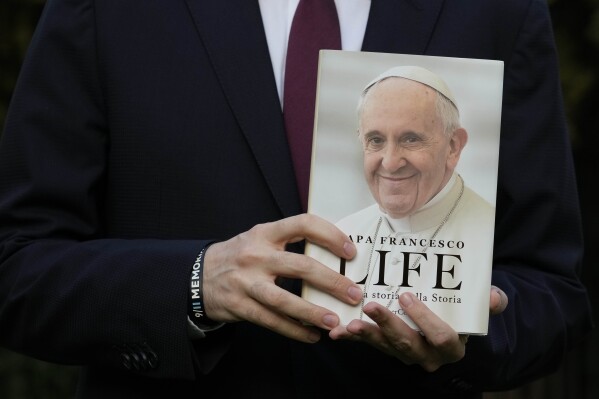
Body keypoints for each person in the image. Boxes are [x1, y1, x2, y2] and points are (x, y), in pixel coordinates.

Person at [0, 0, 592, 398]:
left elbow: (551, 291)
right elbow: (16, 264)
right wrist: (197, 282)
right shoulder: (107, 11)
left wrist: (467, 337)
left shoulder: (496, 11)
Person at [306, 65, 497, 334]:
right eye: (375, 140)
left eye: (410, 139)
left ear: (453, 147)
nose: (391, 162)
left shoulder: (490, 231)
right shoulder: (344, 233)